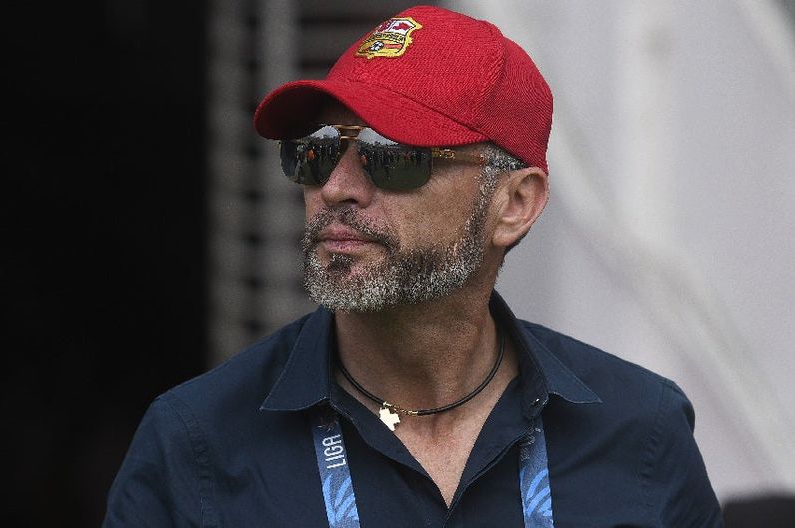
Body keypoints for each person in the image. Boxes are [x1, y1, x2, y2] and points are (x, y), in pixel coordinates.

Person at [104, 6, 722, 527]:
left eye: (390, 155)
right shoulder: (196, 444)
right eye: (317, 152)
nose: (336, 188)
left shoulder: (640, 432)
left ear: (513, 204)